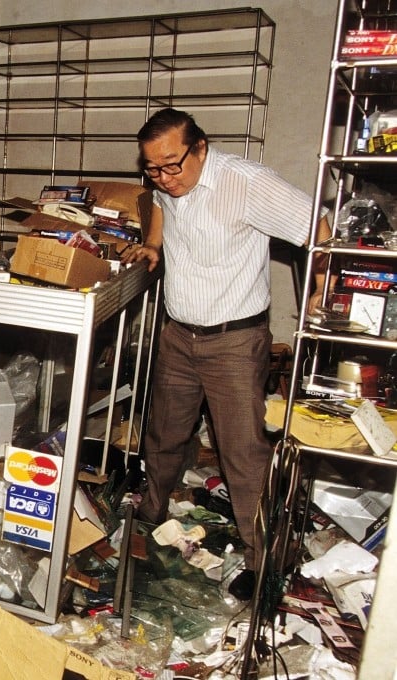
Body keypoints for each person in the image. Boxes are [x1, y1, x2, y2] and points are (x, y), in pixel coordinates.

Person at [121, 108, 329, 601]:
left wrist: (322, 290)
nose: (166, 178)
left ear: (201, 148)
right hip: (178, 334)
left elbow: (318, 226)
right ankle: (151, 508)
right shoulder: (165, 184)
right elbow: (155, 200)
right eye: (153, 167)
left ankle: (265, 561)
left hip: (234, 341)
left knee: (243, 454)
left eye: (174, 165)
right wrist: (153, 243)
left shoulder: (247, 183)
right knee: (165, 432)